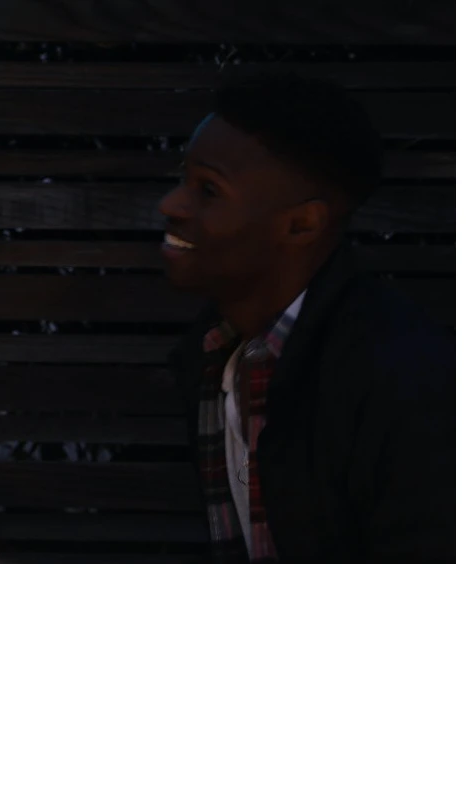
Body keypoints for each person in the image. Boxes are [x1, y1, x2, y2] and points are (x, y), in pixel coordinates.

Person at [159, 71, 454, 562]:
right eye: (182, 179)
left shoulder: (403, 380)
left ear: (301, 224)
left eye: (208, 189)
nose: (170, 204)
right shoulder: (213, 358)